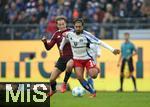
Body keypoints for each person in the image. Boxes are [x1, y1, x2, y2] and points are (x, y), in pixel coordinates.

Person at [60, 18, 120, 97]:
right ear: (74, 26)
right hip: (77, 59)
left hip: (87, 59)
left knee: (93, 75)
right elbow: (64, 38)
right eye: (76, 27)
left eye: (80, 27)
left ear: (82, 26)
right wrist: (61, 48)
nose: (78, 28)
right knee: (80, 77)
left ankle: (96, 69)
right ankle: (92, 92)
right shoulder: (69, 34)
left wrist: (112, 50)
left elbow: (100, 42)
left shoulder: (87, 35)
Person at [41, 16, 74, 97]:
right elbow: (48, 48)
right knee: (52, 79)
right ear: (57, 26)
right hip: (62, 59)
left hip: (73, 57)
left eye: (63, 24)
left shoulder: (72, 31)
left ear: (66, 24)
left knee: (69, 65)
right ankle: (53, 90)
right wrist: (45, 42)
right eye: (60, 25)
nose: (62, 26)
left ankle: (64, 83)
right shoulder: (56, 34)